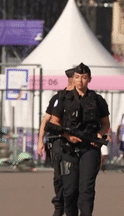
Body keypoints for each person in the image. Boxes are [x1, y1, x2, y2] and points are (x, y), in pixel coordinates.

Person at [49, 63, 110, 216]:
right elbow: (54, 122)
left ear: (89, 79)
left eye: (84, 77)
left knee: (86, 190)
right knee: (69, 191)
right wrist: (67, 136)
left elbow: (105, 124)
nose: (80, 81)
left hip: (90, 148)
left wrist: (99, 135)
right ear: (73, 79)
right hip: (68, 148)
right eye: (77, 77)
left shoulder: (97, 100)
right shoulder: (63, 98)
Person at [37, 67, 75, 216]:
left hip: (77, 143)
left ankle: (68, 206)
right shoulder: (59, 98)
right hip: (59, 142)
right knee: (60, 177)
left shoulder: (84, 98)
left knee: (74, 180)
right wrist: (40, 141)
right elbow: (46, 120)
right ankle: (59, 207)